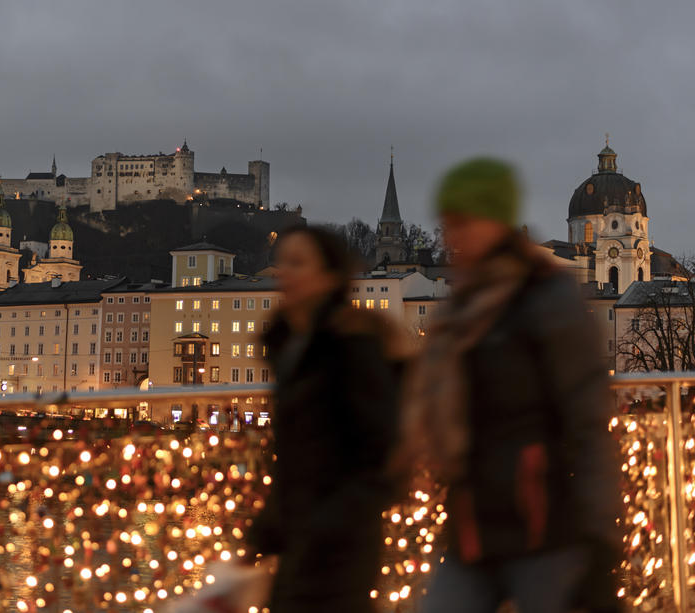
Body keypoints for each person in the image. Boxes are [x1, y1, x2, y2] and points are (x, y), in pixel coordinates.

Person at [400, 158, 623, 613]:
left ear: (495, 222)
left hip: (544, 527)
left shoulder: (549, 300)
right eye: (448, 224)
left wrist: (599, 540)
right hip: (472, 521)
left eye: (463, 222)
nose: (451, 236)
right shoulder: (460, 309)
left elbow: (589, 423)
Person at [246, 225, 409, 613]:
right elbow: (295, 459)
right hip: (302, 537)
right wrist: (265, 535)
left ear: (330, 276)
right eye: (282, 261)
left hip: (339, 543)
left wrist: (330, 525)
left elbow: (381, 451)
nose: (284, 272)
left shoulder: (352, 347)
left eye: (298, 263)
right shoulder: (292, 345)